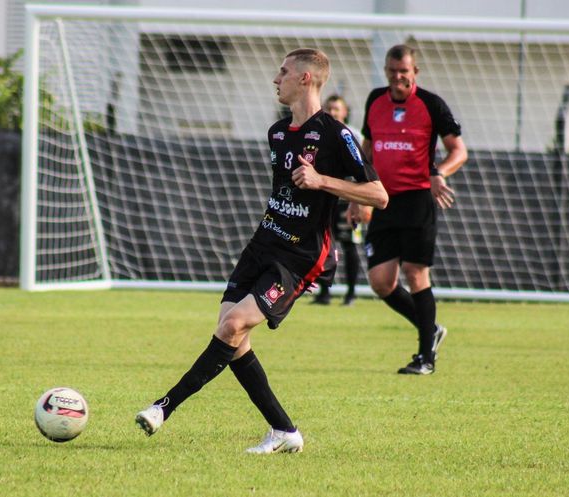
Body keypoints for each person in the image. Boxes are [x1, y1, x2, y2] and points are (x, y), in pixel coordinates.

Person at [134, 48, 387, 454]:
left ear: (305, 78)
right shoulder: (277, 133)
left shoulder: (337, 134)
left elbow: (378, 194)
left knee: (232, 326)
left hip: (300, 256)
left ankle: (164, 407)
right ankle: (284, 430)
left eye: (283, 72)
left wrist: (324, 181)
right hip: (263, 243)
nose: (275, 78)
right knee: (232, 336)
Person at [350, 44, 468, 376]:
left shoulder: (431, 104)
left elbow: (459, 151)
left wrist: (439, 173)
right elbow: (368, 150)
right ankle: (431, 329)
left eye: (403, 71)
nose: (397, 76)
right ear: (386, 71)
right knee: (381, 282)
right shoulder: (375, 100)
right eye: (392, 70)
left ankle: (425, 358)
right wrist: (358, 194)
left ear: (415, 71)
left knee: (416, 274)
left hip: (417, 200)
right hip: (384, 199)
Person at [312, 95, 364, 306]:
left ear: (345, 112)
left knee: (350, 245)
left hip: (347, 199)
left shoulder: (354, 135)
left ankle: (351, 293)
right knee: (322, 244)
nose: (333, 112)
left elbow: (365, 168)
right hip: (324, 199)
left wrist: (359, 199)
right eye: (329, 108)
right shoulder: (317, 134)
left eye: (337, 109)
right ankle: (324, 292)